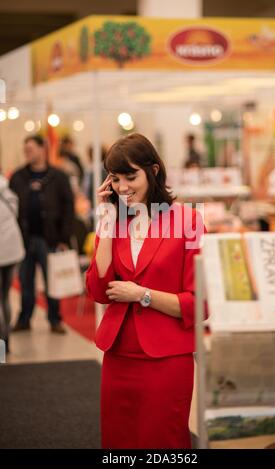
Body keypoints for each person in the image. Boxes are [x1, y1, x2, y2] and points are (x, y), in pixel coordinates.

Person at [86, 133, 205, 449]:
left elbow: (200, 304)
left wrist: (142, 294)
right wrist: (106, 224)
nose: (122, 187)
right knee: (119, 439)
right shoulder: (116, 222)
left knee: (163, 439)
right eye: (115, 178)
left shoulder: (188, 221)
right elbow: (99, 289)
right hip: (119, 354)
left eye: (130, 176)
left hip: (166, 358)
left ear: (153, 171)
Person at [9, 135, 75, 334]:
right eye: (25, 149)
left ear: (42, 149)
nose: (27, 153)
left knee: (52, 281)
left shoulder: (58, 177)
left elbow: (68, 208)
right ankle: (24, 318)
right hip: (25, 239)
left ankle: (55, 319)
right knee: (25, 281)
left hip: (51, 238)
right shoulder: (18, 177)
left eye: (30, 149)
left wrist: (64, 238)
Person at [0, 174, 25, 352]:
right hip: (13, 250)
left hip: (4, 252)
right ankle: (5, 341)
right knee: (4, 297)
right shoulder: (7, 190)